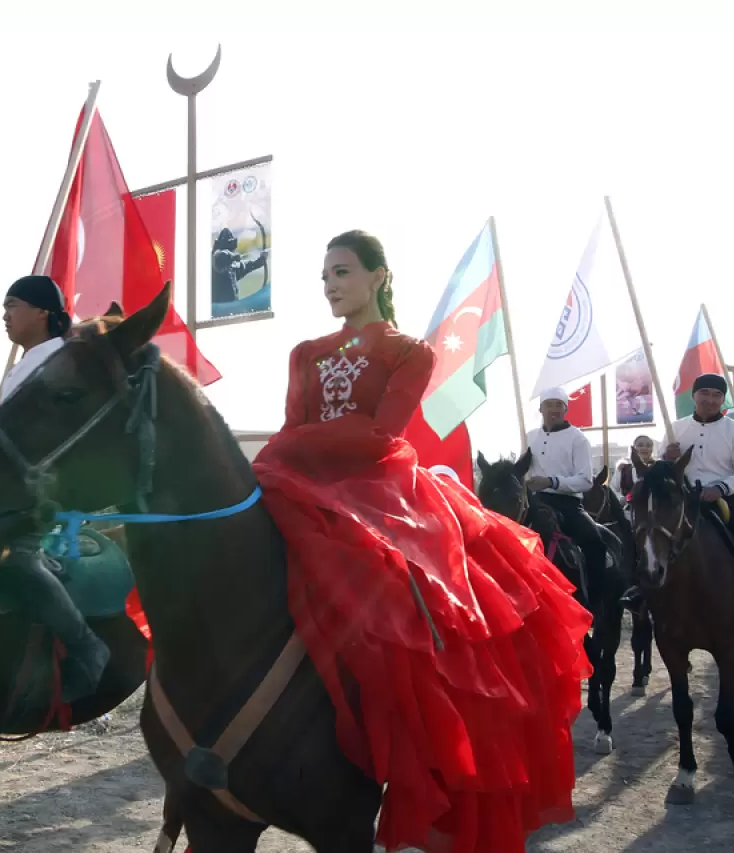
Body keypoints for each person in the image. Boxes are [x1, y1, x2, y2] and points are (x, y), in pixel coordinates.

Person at [251, 230, 590, 853]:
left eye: (342, 271)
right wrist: (283, 455)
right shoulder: (305, 353)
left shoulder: (410, 352)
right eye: (324, 275)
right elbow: (292, 425)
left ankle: (427, 744)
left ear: (378, 276)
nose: (329, 285)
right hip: (300, 483)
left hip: (378, 489)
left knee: (422, 601)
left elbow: (381, 435)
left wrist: (293, 447)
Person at [0, 274, 109, 704]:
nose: (4, 315)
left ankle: (87, 647)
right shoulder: (25, 364)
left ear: (42, 312)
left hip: (38, 493)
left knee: (13, 557)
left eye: (12, 306)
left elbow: (41, 434)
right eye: (4, 307)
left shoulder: (58, 362)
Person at [620, 373, 734, 625]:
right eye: (704, 393)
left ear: (723, 400)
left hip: (723, 500)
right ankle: (639, 590)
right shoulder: (676, 428)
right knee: (645, 530)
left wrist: (720, 487)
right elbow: (661, 471)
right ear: (694, 396)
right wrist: (667, 458)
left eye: (717, 395)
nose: (710, 399)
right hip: (680, 500)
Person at [524, 387, 609, 580]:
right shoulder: (529, 436)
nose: (553, 409)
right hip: (534, 503)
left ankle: (597, 595)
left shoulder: (578, 438)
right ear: (541, 409)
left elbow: (586, 481)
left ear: (565, 409)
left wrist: (551, 482)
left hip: (568, 505)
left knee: (596, 543)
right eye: (548, 405)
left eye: (558, 405)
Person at [612, 435, 655, 499]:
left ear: (652, 449)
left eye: (648, 446)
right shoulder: (623, 469)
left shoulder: (658, 468)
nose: (644, 448)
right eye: (640, 445)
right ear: (634, 448)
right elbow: (614, 491)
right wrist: (624, 499)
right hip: (628, 505)